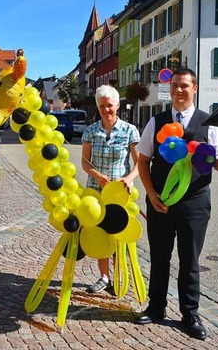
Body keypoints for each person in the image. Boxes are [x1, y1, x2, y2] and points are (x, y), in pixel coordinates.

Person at [135, 67, 218, 340]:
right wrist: (152, 194)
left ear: (195, 89)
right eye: (175, 85)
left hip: (195, 203)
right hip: (161, 202)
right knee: (159, 258)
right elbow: (143, 161)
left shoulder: (209, 123)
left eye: (185, 86)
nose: (179, 90)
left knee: (189, 261)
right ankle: (156, 308)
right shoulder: (156, 121)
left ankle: (190, 315)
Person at [81, 85, 139, 293]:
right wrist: (98, 176)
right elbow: (85, 163)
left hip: (118, 195)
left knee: (118, 235)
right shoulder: (91, 131)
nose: (106, 110)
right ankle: (104, 277)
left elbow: (139, 163)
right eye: (102, 106)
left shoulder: (130, 130)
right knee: (100, 235)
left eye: (110, 106)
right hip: (96, 193)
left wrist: (129, 179)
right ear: (98, 107)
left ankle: (119, 276)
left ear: (118, 105)